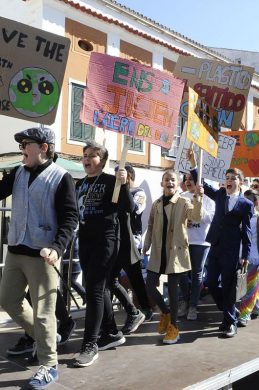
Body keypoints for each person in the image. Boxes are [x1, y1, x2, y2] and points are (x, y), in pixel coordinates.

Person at [0, 127, 78, 389]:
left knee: (45, 313)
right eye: (21, 144)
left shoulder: (61, 177)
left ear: (43, 147)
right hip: (16, 250)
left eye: (26, 144)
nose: (22, 148)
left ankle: (49, 365)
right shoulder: (19, 172)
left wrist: (57, 247)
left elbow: (70, 218)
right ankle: (46, 338)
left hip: (44, 255)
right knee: (9, 300)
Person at [74, 141, 135, 367]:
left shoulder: (111, 181)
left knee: (95, 291)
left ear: (103, 160)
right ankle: (110, 332)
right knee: (94, 288)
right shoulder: (79, 184)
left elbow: (128, 208)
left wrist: (124, 184)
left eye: (93, 155)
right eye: (85, 155)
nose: (87, 158)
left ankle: (90, 344)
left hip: (106, 240)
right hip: (85, 241)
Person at [188, 150, 253, 337]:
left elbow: (247, 231)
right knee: (209, 282)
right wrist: (193, 163)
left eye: (233, 178)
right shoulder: (220, 195)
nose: (229, 180)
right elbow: (202, 183)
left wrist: (245, 255)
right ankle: (228, 309)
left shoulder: (246, 204)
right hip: (215, 245)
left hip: (232, 249)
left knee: (228, 285)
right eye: (227, 178)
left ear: (240, 181)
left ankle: (229, 322)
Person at [143, 169, 203, 344]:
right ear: (162, 183)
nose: (169, 182)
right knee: (149, 285)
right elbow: (151, 224)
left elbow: (196, 216)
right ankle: (165, 312)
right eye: (166, 179)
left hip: (176, 251)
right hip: (158, 251)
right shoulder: (156, 204)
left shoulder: (184, 202)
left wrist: (198, 198)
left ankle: (174, 328)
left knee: (174, 289)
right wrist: (146, 245)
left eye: (173, 180)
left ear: (178, 185)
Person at [110, 164, 152, 335]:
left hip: (131, 242)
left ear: (129, 176)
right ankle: (133, 310)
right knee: (111, 278)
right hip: (115, 240)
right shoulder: (114, 192)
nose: (116, 180)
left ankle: (145, 308)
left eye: (119, 176)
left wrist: (124, 186)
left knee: (136, 279)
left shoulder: (139, 193)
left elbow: (135, 208)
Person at [178, 171, 215, 321]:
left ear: (199, 182)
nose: (188, 182)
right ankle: (185, 301)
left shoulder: (209, 200)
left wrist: (199, 202)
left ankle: (193, 305)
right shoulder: (181, 196)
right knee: (181, 273)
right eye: (186, 179)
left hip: (201, 242)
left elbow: (210, 219)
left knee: (196, 274)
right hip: (184, 241)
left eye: (191, 179)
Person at [237, 189, 259, 326]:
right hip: (241, 258)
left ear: (256, 202)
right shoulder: (239, 217)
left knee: (248, 289)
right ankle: (257, 307)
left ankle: (244, 315)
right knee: (246, 287)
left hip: (255, 259)